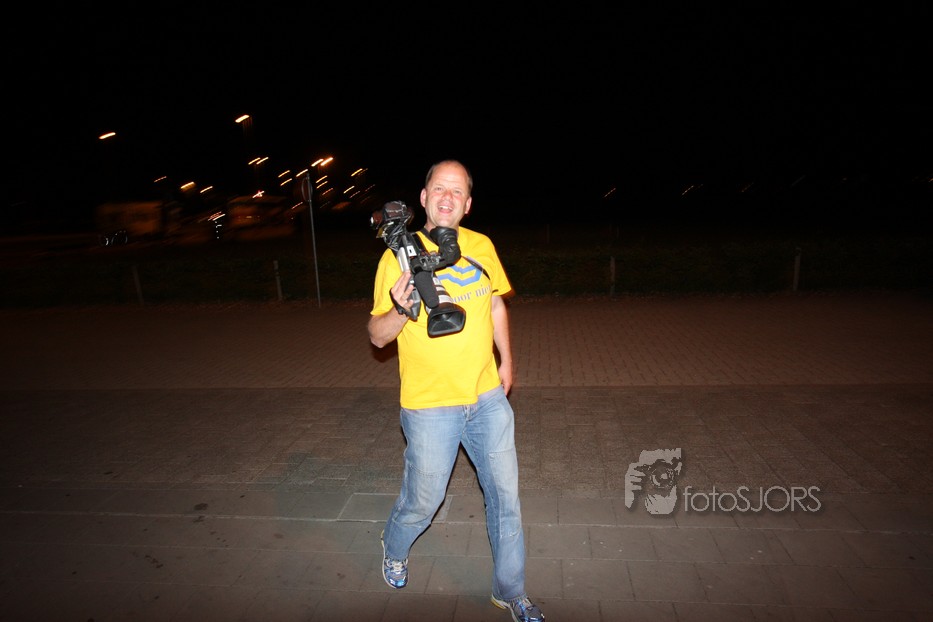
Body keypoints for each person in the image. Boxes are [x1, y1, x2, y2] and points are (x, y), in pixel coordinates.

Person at [368, 160, 544, 622]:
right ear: (424, 197)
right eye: (439, 188)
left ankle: (510, 591)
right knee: (424, 500)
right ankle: (394, 545)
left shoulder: (482, 245)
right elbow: (377, 337)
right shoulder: (396, 257)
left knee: (505, 499)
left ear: (467, 204)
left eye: (457, 191)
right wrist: (401, 308)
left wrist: (507, 359)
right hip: (430, 406)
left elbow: (496, 303)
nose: (447, 197)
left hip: (486, 398)